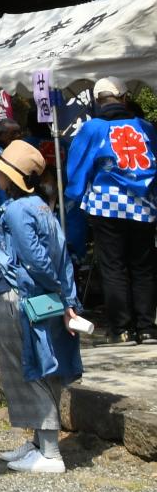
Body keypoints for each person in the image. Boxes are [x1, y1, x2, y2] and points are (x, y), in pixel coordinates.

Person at [0, 141, 83, 474]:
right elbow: (62, 258)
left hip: (22, 298)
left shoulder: (16, 210)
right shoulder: (42, 207)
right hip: (44, 300)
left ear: (11, 176)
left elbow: (36, 260)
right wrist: (68, 299)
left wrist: (54, 288)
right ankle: (38, 444)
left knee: (30, 370)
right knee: (40, 367)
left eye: (0, 170)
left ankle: (51, 451)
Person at [65, 77, 155, 344]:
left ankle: (122, 330)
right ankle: (148, 327)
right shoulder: (146, 127)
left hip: (106, 204)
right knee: (143, 266)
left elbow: (77, 165)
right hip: (144, 205)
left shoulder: (94, 128)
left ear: (98, 101)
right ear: (124, 98)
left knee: (113, 266)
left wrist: (75, 194)